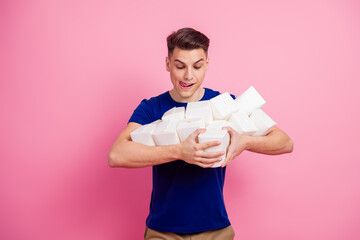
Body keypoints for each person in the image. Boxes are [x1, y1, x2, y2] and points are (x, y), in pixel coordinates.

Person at [108, 27, 294, 240]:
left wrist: (245, 142)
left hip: (215, 230)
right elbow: (117, 154)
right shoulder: (151, 108)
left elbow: (285, 142)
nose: (188, 75)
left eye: (197, 66)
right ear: (168, 64)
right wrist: (180, 151)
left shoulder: (224, 103)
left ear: (206, 64)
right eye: (180, 66)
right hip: (163, 231)